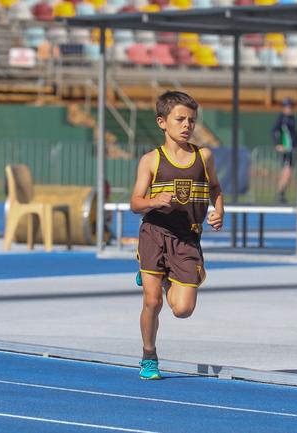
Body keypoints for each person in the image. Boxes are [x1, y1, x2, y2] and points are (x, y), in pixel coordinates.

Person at [130, 91, 224, 380]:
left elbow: (215, 189)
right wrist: (153, 202)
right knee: (152, 302)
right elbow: (135, 202)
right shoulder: (151, 160)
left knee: (182, 310)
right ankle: (148, 356)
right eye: (180, 119)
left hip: (187, 239)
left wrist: (218, 211)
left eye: (191, 120)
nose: (187, 125)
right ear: (162, 122)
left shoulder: (203, 156)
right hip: (155, 234)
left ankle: (162, 277)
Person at [271, 97, 297, 204]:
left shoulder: (292, 118)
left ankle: (281, 192)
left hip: (290, 149)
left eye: (291, 106)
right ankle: (280, 193)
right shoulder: (282, 119)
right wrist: (278, 144)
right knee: (287, 171)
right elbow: (274, 131)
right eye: (288, 106)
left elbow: (293, 134)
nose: (290, 109)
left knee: (288, 172)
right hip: (285, 150)